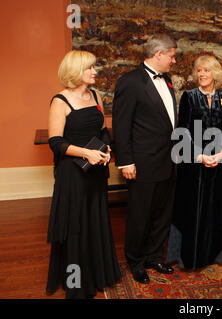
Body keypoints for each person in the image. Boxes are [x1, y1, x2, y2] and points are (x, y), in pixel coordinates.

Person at [46, 50, 121, 299]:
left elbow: (102, 130)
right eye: (89, 68)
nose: (95, 72)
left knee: (95, 221)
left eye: (94, 67)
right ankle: (77, 282)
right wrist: (86, 153)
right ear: (74, 71)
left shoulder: (96, 95)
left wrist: (106, 147)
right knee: (76, 226)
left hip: (95, 172)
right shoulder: (60, 101)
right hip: (72, 174)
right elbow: (56, 142)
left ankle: (98, 274)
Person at [112, 33, 178, 284]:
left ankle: (153, 257)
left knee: (163, 213)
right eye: (172, 56)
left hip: (169, 160)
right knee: (140, 215)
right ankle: (136, 261)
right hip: (142, 163)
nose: (173, 61)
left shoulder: (168, 80)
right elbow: (121, 124)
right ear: (159, 54)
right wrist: (126, 161)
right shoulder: (130, 82)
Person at [166, 55, 222, 270]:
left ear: (216, 74)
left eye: (207, 70)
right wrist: (200, 156)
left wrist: (221, 153)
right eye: (199, 70)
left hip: (217, 163)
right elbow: (183, 132)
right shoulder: (189, 97)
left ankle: (212, 252)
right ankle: (191, 257)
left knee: (213, 209)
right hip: (193, 163)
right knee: (192, 210)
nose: (202, 74)